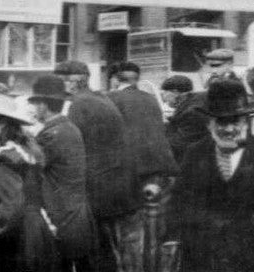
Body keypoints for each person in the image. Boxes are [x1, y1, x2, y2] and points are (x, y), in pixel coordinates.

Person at [168, 77, 254, 272]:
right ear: (209, 122)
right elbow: (178, 205)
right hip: (203, 262)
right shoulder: (194, 155)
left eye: (235, 121)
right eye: (221, 122)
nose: (228, 129)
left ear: (246, 120)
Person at [53, 60, 139, 272]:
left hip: (97, 189)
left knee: (94, 251)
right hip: (114, 185)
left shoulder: (78, 105)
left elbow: (71, 147)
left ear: (73, 82)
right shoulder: (99, 98)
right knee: (106, 248)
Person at [0, 90, 60, 272]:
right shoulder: (26, 151)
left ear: (2, 123)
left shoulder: (6, 160)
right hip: (36, 233)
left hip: (17, 239)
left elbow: (12, 209)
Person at [107, 60, 177, 263]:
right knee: (155, 230)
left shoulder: (111, 99)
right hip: (162, 171)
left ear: (114, 80)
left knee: (132, 234)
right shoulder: (151, 99)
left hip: (132, 173)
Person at [28, 75, 98, 271]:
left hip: (60, 214)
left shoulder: (51, 135)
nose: (33, 109)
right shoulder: (67, 128)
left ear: (43, 105)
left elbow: (30, 167)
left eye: (35, 103)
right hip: (75, 212)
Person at [159, 74, 204, 163]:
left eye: (164, 92)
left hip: (192, 162)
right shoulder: (192, 103)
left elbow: (179, 142)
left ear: (175, 92)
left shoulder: (192, 112)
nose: (163, 96)